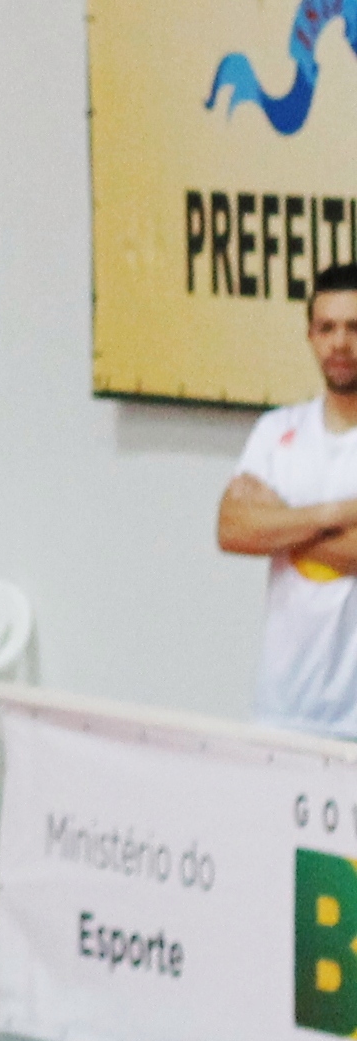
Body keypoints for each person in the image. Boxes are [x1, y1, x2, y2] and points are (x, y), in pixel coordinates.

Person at [220, 259, 357, 740]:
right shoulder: (277, 431)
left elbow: (258, 530)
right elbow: (233, 529)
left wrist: (281, 528)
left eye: (354, 328)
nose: (340, 343)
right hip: (283, 706)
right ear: (311, 337)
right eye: (327, 328)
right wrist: (337, 513)